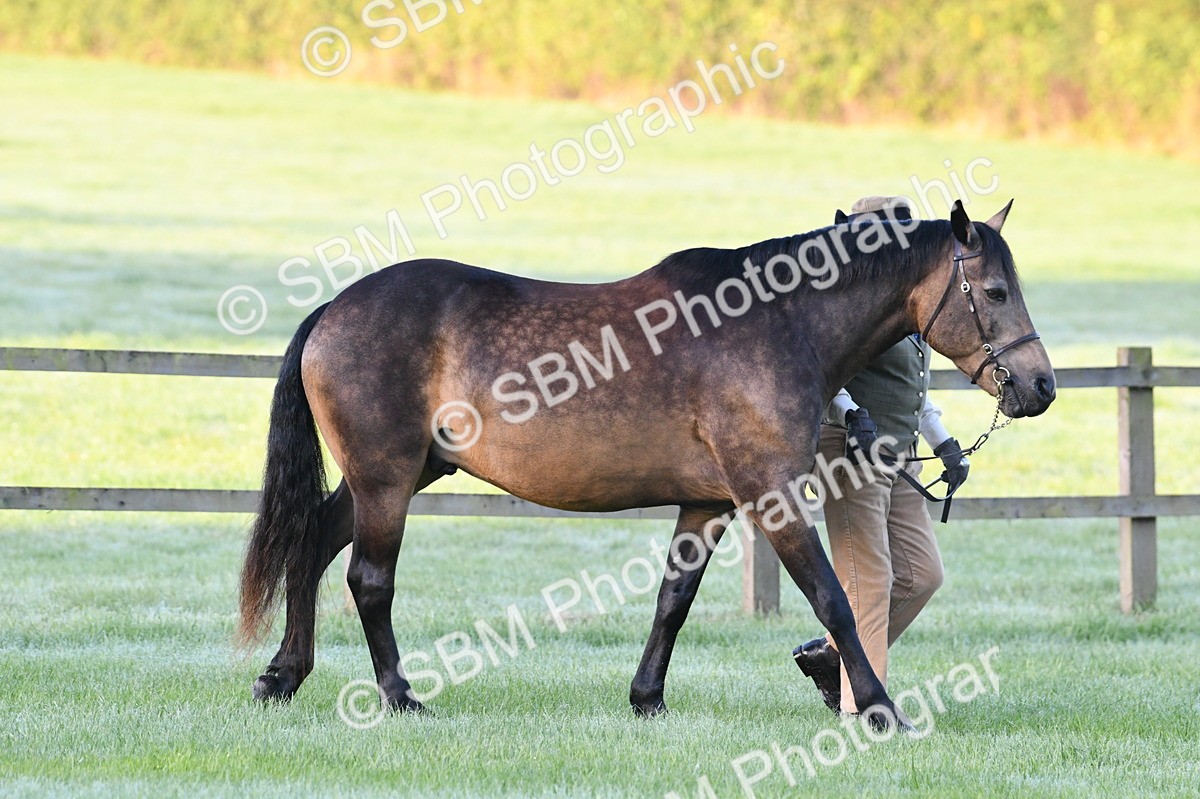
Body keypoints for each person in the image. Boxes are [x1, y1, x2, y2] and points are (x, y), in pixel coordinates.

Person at [792, 195, 970, 715]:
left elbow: (913, 387)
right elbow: (820, 376)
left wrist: (943, 442)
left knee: (922, 575)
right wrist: (851, 413)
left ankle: (833, 655)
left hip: (900, 453)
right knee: (867, 582)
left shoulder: (902, 300)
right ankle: (865, 710)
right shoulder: (840, 303)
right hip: (849, 451)